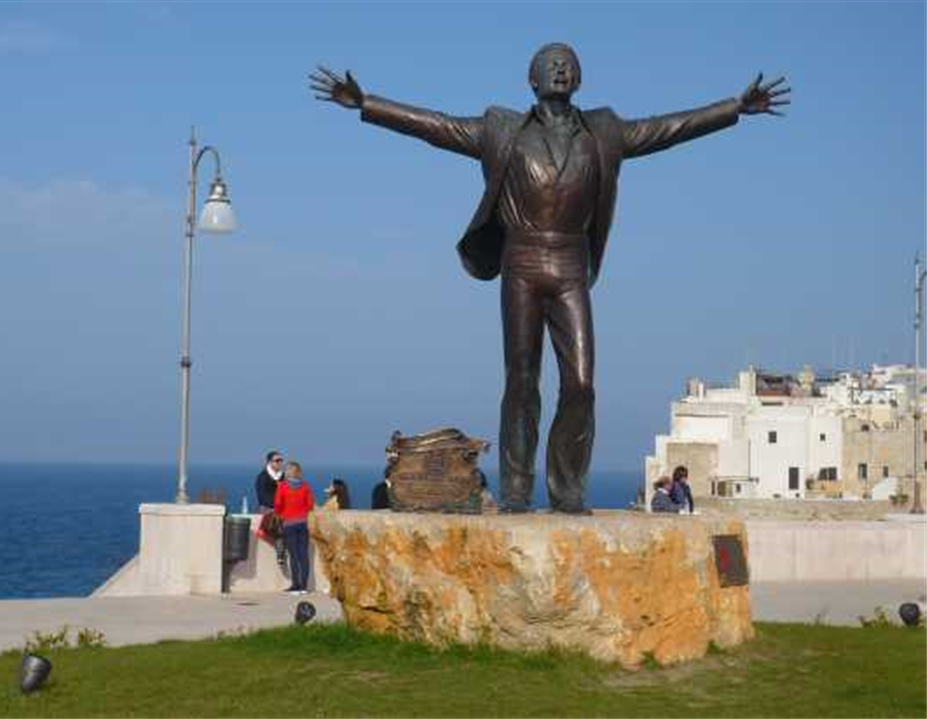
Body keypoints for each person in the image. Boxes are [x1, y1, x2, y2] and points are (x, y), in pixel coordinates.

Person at [311, 46, 789, 515]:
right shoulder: (501, 130)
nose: (560, 69)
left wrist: (734, 109)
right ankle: (517, 488)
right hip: (520, 262)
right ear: (533, 79)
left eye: (568, 64)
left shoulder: (603, 132)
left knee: (580, 384)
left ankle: (568, 488)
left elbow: (667, 129)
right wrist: (369, 103)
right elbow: (437, 127)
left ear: (578, 79)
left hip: (570, 266)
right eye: (550, 64)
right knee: (521, 380)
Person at [274, 460, 315, 593]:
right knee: (304, 555)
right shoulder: (306, 486)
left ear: (288, 472)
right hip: (303, 523)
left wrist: (281, 514)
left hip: (289, 524)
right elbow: (310, 505)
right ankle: (304, 586)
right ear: (298, 472)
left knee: (293, 555)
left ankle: (295, 585)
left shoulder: (282, 486)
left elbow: (278, 504)